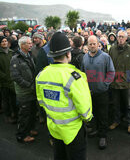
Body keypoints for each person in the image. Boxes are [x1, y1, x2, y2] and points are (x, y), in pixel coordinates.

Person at [36, 32, 92, 160]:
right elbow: (85, 110)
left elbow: (41, 101)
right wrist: (87, 118)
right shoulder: (75, 77)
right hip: (74, 131)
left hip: (54, 129)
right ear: (68, 53)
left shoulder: (41, 75)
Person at [81, 35, 115, 149]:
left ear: (98, 44)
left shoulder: (105, 57)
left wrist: (104, 84)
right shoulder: (84, 57)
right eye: (90, 44)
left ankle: (102, 136)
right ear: (87, 45)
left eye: (94, 43)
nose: (92, 46)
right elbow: (82, 72)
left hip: (102, 92)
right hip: (89, 92)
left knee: (103, 115)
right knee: (92, 114)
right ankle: (95, 130)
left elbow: (111, 72)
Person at [109, 30, 130, 134]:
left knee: (128, 105)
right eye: (119, 36)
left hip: (126, 83)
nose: (120, 38)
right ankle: (116, 121)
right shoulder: (112, 49)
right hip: (114, 82)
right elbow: (109, 65)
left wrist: (128, 78)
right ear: (116, 38)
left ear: (126, 38)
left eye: (122, 37)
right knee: (115, 104)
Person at [10, 36, 37, 143]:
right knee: (24, 115)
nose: (31, 45)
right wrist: (28, 85)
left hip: (32, 90)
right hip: (24, 92)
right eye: (29, 43)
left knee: (31, 112)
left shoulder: (29, 55)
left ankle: (29, 129)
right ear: (22, 45)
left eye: (31, 43)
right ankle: (21, 135)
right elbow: (15, 77)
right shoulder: (15, 58)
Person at [0, 36, 17, 123]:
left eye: (5, 41)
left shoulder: (11, 52)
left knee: (13, 99)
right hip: (4, 82)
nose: (4, 43)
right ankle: (7, 115)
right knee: (5, 100)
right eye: (2, 41)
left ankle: (14, 113)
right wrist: (5, 77)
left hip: (12, 80)